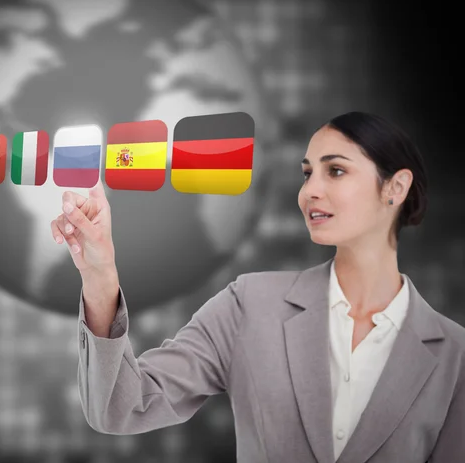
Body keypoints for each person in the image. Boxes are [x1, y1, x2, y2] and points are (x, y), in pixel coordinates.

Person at [50, 111, 465, 463]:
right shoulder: (249, 304)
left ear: (395, 187)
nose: (309, 192)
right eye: (308, 174)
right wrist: (100, 276)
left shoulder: (454, 355)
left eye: (335, 170)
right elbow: (120, 408)